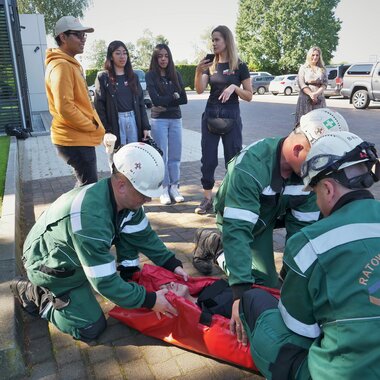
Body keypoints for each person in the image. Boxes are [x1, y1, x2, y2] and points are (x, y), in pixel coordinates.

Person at [191, 108, 350, 337]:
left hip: (270, 215)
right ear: (297, 149)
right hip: (238, 219)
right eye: (319, 161)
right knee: (259, 284)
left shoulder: (308, 173)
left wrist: (294, 278)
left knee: (277, 287)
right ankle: (214, 244)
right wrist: (239, 296)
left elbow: (301, 232)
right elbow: (238, 233)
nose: (323, 172)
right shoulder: (251, 168)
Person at [10, 143, 188, 344]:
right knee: (91, 328)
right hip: (51, 268)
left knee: (124, 250)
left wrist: (172, 263)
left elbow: (144, 236)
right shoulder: (90, 219)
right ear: (121, 184)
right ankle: (36, 294)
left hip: (74, 259)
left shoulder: (125, 201)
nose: (147, 199)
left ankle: (84, 286)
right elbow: (105, 283)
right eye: (143, 192)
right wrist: (151, 300)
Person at [241, 131, 380, 379]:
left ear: (327, 188)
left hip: (338, 372)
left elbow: (300, 327)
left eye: (315, 194)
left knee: (254, 301)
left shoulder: (310, 243)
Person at [194, 25, 253, 214]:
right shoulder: (209, 64)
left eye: (217, 39)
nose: (213, 43)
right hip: (211, 115)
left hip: (232, 116)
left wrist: (234, 88)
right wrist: (198, 71)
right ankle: (207, 200)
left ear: (227, 40)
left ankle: (231, 198)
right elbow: (199, 89)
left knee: (233, 159)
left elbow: (249, 95)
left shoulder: (239, 65)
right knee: (208, 159)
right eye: (212, 40)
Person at [45, 16, 105, 187]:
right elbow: (65, 107)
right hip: (75, 138)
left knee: (84, 185)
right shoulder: (61, 66)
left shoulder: (69, 64)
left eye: (84, 35)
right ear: (63, 37)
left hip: (77, 136)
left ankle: (75, 212)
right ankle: (77, 214)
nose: (83, 39)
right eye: (78, 35)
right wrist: (90, 126)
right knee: (88, 189)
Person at [145, 44, 188, 205]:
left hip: (176, 119)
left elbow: (183, 99)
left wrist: (166, 98)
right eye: (160, 56)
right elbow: (156, 101)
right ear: (155, 59)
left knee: (175, 156)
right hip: (159, 120)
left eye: (166, 56)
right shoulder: (151, 76)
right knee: (161, 156)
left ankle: (174, 187)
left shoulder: (175, 74)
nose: (163, 59)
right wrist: (173, 95)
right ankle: (163, 188)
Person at [94, 40, 151, 150]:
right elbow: (99, 107)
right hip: (115, 121)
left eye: (125, 53)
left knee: (134, 154)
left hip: (133, 119)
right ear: (111, 56)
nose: (122, 56)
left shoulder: (133, 77)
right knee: (117, 156)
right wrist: (107, 130)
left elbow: (140, 103)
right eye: (118, 53)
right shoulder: (103, 77)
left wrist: (145, 127)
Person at [160, 279, 233, 319]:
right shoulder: (206, 313)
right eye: (168, 288)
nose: (172, 283)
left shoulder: (206, 288)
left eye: (168, 283)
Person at [295, 46, 328, 125]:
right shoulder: (303, 68)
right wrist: (311, 94)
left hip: (319, 98)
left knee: (319, 122)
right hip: (305, 98)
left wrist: (316, 94)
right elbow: (301, 83)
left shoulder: (322, 69)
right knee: (305, 122)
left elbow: (325, 83)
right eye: (313, 55)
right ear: (309, 56)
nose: (315, 57)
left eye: (317, 55)